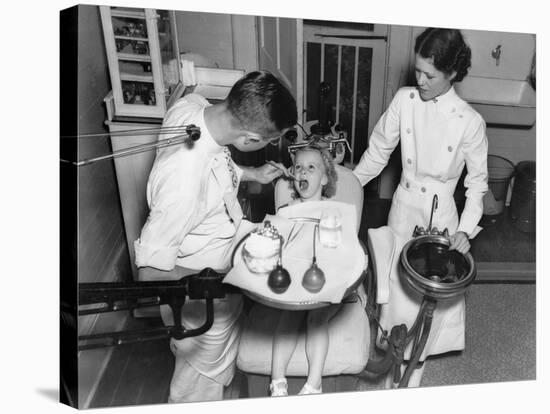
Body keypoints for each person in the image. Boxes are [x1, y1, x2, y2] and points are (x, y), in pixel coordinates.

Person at [134, 70, 297, 403]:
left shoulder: (193, 106)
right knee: (197, 389)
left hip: (223, 265)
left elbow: (213, 160)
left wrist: (249, 172)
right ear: (250, 139)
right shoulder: (182, 182)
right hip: (201, 299)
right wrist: (224, 280)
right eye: (267, 141)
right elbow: (149, 274)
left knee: (222, 368)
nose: (266, 146)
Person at [353, 28, 488, 386]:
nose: (421, 80)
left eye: (430, 75)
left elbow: (477, 185)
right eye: (417, 71)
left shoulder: (470, 121)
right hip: (404, 205)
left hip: (441, 218)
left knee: (428, 302)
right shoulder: (405, 100)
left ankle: (414, 376)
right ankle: (388, 365)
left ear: (453, 73)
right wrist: (347, 185)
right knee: (394, 292)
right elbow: (379, 151)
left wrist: (465, 230)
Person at [269, 144, 339, 396]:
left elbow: (339, 251)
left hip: (325, 283)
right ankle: (277, 381)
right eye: (298, 167)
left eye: (312, 167)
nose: (303, 172)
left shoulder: (333, 213)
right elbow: (275, 248)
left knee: (316, 318)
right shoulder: (286, 212)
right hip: (292, 286)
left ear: (325, 179)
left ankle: (314, 383)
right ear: (292, 175)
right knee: (288, 316)